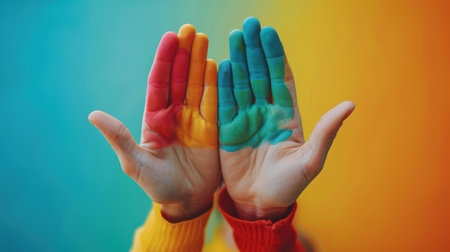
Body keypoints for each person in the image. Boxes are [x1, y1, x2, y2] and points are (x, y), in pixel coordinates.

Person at [88, 17, 355, 252]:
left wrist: (261, 213)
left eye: (232, 140)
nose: (222, 159)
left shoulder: (297, 246)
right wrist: (181, 209)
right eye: (208, 145)